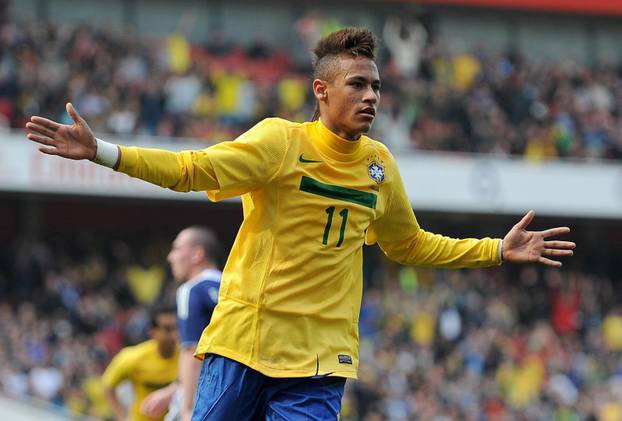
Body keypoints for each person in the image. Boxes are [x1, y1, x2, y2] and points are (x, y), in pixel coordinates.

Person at [26, 27, 575, 420]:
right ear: (322, 90)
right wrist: (103, 152)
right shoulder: (279, 143)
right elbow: (193, 169)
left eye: (376, 87)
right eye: (357, 85)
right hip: (246, 343)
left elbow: (408, 244)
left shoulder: (379, 166)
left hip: (319, 361)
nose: (371, 97)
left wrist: (494, 250)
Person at [139, 227, 222, 421]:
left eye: (176, 249)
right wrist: (174, 388)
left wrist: (187, 408)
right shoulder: (233, 287)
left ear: (197, 254)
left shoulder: (191, 290)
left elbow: (192, 352)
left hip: (207, 394)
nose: (170, 257)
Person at [101, 304, 179, 421]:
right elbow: (107, 385)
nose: (174, 335)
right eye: (167, 329)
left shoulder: (188, 357)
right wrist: (121, 416)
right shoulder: (133, 357)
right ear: (153, 332)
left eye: (176, 328)